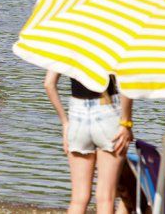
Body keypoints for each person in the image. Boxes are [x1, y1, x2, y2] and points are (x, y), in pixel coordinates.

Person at [44, 71, 133, 214]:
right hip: (108, 109)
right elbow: (127, 84)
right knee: (105, 198)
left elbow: (49, 84)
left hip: (77, 113)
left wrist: (65, 123)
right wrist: (126, 123)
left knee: (78, 199)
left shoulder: (69, 54)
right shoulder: (111, 53)